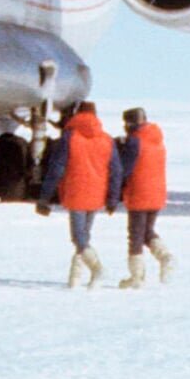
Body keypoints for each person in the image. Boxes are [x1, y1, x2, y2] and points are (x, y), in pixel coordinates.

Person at [34, 100, 121, 288]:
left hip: (75, 191)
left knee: (78, 237)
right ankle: (75, 279)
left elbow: (57, 168)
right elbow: (116, 169)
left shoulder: (69, 137)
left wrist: (45, 196)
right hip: (97, 192)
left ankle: (97, 268)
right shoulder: (107, 140)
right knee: (85, 236)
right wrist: (113, 198)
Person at [112, 106, 176, 289]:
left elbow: (125, 168)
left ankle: (137, 277)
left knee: (135, 236)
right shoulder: (157, 141)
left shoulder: (134, 142)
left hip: (139, 192)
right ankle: (166, 257)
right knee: (147, 231)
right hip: (157, 193)